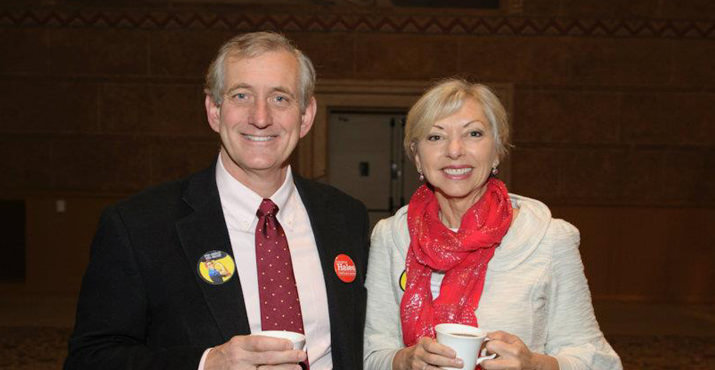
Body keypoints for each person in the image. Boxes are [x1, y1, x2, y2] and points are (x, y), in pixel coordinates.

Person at [65, 32, 369, 370]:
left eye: (280, 98)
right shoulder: (138, 226)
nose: (261, 117)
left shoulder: (346, 217)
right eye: (241, 95)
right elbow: (90, 358)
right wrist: (206, 363)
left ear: (306, 116)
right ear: (214, 110)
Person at [363, 78, 622, 370]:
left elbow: (600, 362)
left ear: (497, 150)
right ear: (417, 156)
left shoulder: (547, 238)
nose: (455, 150)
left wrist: (536, 365)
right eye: (435, 137)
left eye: (474, 133)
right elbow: (372, 354)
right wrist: (404, 360)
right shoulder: (391, 237)